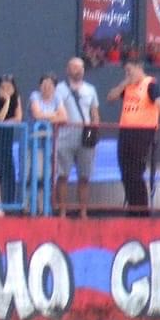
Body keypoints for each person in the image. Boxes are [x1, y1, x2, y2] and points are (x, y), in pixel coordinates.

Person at [106, 59, 160, 211]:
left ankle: (141, 209)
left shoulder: (150, 84)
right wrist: (123, 84)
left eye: (130, 70)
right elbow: (110, 98)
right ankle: (132, 206)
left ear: (138, 67)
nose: (128, 73)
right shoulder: (128, 86)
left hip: (142, 132)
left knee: (135, 171)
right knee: (125, 171)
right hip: (125, 131)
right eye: (126, 71)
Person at [54, 56, 101, 216]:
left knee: (84, 176)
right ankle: (62, 210)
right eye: (74, 67)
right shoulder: (59, 89)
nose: (78, 70)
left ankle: (83, 211)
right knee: (62, 175)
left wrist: (94, 130)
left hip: (85, 136)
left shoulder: (91, 89)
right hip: (64, 137)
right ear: (68, 70)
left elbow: (94, 113)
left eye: (81, 68)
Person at [28, 74, 66, 212]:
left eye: (50, 84)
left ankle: (45, 207)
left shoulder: (57, 98)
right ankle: (30, 206)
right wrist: (54, 115)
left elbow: (64, 117)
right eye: (44, 83)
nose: (47, 87)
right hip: (33, 142)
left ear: (55, 87)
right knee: (34, 174)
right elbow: (37, 115)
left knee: (49, 175)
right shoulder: (35, 96)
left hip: (50, 143)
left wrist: (50, 116)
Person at [0, 75, 23, 212]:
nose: (6, 90)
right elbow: (0, 118)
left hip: (7, 138)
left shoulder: (16, 99)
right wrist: (7, 101)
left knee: (8, 169)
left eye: (9, 88)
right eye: (3, 87)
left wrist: (11, 99)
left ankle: (10, 204)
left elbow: (18, 118)